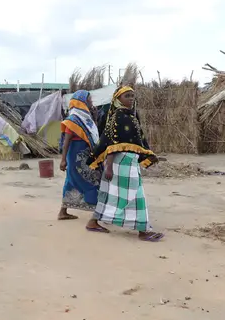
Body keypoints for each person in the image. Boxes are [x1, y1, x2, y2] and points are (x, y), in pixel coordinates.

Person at [86, 86, 164, 241]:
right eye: (127, 96)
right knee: (135, 194)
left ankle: (93, 221)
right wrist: (108, 167)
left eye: (132, 96)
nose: (131, 98)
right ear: (117, 99)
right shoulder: (118, 117)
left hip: (130, 161)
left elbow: (138, 141)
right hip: (119, 162)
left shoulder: (131, 116)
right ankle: (143, 230)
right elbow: (111, 143)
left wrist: (149, 155)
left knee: (113, 194)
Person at [57, 90, 101, 220]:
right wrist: (63, 160)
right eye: (89, 99)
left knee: (72, 181)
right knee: (91, 180)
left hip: (85, 156)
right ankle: (97, 212)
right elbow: (66, 141)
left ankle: (63, 212)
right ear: (81, 101)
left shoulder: (86, 119)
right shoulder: (73, 120)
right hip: (76, 157)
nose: (91, 102)